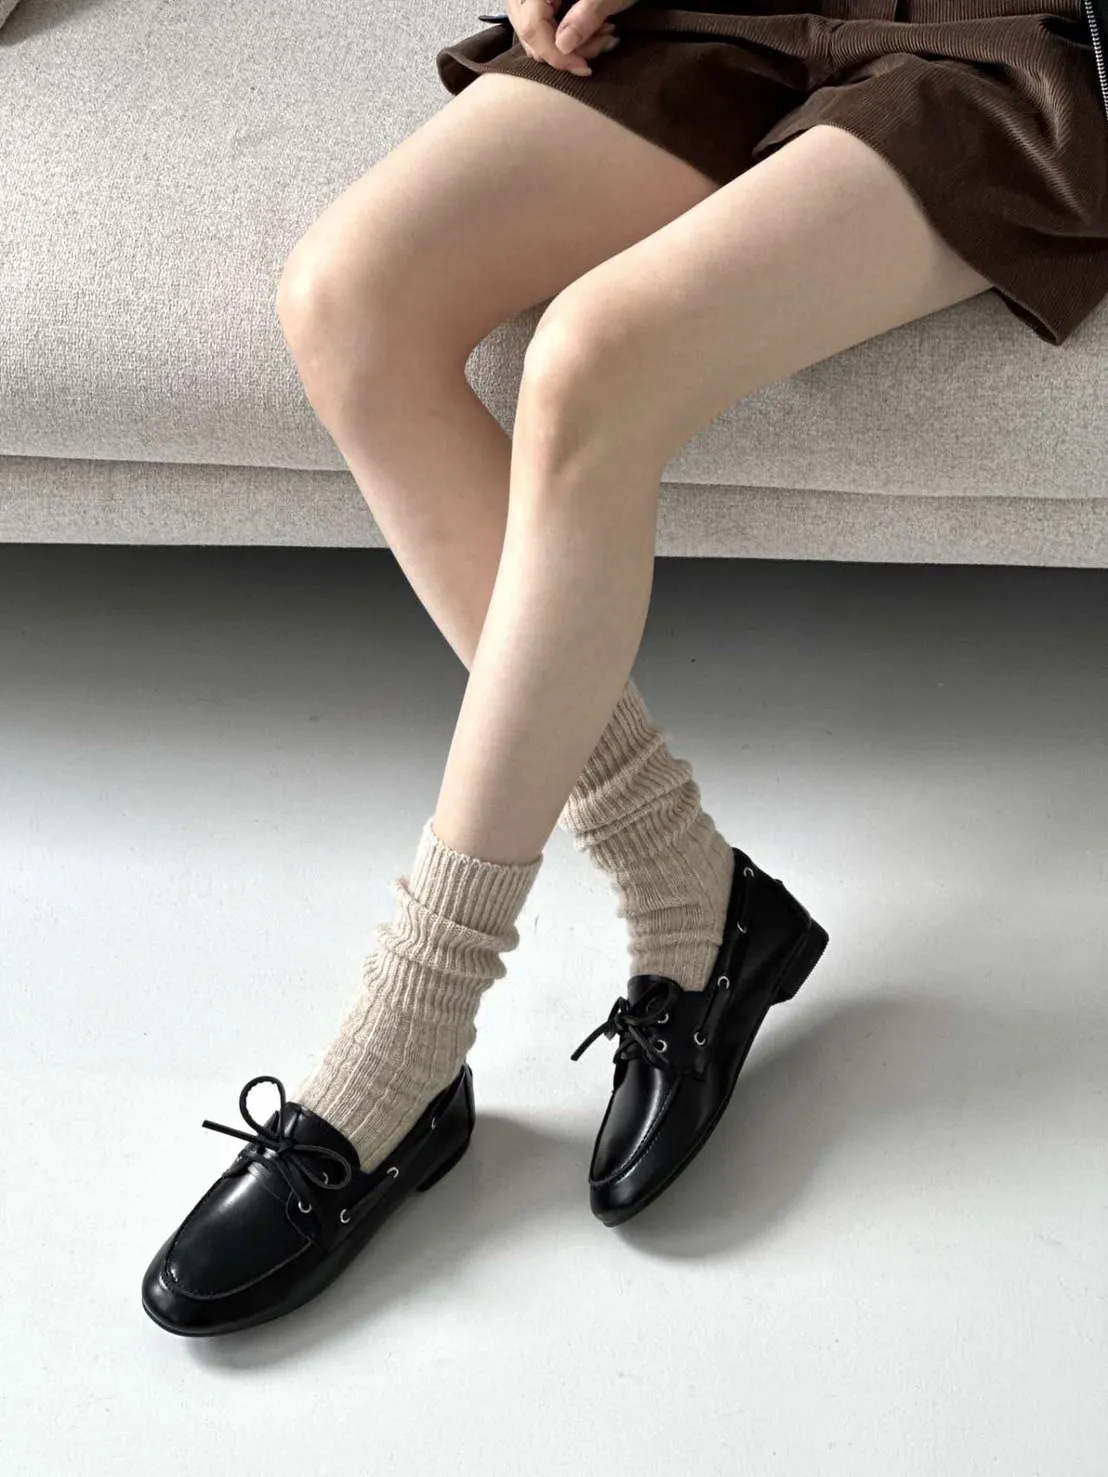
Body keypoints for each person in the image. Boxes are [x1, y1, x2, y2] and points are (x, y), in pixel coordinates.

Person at [141, 0, 1108, 1338]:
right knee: (349, 297)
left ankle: (413, 1026)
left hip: (1002, 37)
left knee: (594, 359)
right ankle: (679, 879)